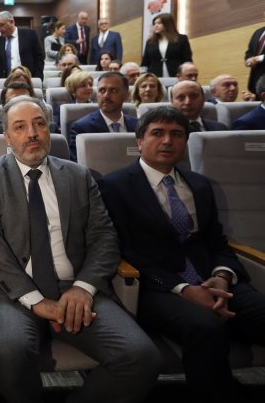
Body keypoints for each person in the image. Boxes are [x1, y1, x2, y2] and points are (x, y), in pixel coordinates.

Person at [0, 96, 160, 403]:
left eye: (39, 124)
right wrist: (36, 301)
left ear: (49, 129)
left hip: (76, 289)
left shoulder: (78, 175)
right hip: (13, 294)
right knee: (12, 350)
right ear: (7, 137)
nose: (32, 133)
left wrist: (83, 288)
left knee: (141, 356)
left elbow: (104, 237)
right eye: (20, 127)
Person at [99, 106, 265, 401]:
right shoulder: (114, 186)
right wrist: (184, 289)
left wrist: (222, 276)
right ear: (139, 141)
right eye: (158, 133)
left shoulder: (199, 184)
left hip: (211, 279)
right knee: (205, 326)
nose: (167, 141)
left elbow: (216, 241)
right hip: (154, 286)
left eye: (176, 134)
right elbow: (121, 251)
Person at [69, 72, 138, 161]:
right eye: (102, 90)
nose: (106, 96)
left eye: (113, 90)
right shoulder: (82, 128)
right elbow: (78, 165)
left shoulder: (138, 126)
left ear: (126, 95)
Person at [0, 11, 44, 81]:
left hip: (28, 80)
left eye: (2, 25)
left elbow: (39, 58)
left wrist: (37, 78)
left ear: (11, 22)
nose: (0, 30)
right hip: (6, 82)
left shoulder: (30, 35)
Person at [141, 13, 192, 78]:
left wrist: (188, 74)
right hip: (155, 77)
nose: (155, 26)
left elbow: (187, 59)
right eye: (154, 24)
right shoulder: (150, 42)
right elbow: (145, 62)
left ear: (168, 24)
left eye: (159, 23)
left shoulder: (181, 39)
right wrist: (143, 76)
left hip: (177, 76)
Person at [244, 25, 265, 96]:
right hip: (255, 84)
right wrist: (248, 61)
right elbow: (249, 51)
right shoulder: (258, 32)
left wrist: (260, 58)